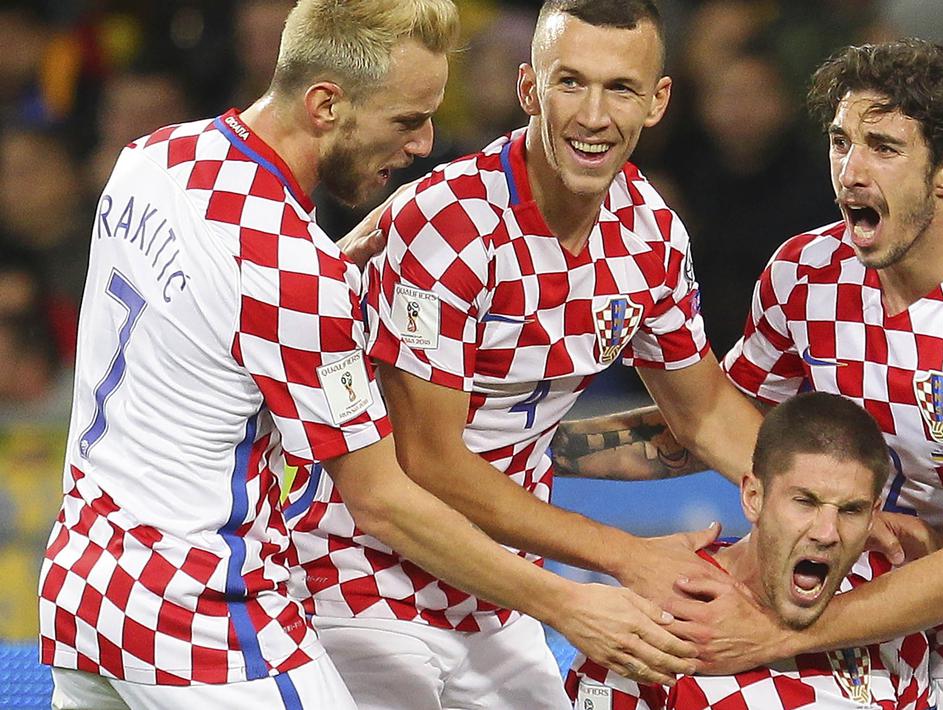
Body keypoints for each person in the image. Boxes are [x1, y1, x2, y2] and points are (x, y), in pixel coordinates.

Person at [37, 2, 696, 708]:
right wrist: (569, 604)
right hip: (199, 612)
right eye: (406, 119)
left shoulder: (154, 158)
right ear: (326, 104)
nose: (422, 144)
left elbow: (209, 313)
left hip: (83, 582)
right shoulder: (294, 274)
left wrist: (332, 271)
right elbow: (383, 501)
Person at [556, 39, 943, 709]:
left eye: (882, 147)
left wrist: (769, 636)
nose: (850, 172)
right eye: (839, 142)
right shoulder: (806, 275)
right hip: (866, 645)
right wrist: (533, 447)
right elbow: (709, 425)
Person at [286, 1, 766, 708]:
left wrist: (827, 507)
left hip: (499, 597)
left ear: (657, 101)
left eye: (621, 88)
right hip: (358, 577)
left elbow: (704, 415)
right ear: (527, 90)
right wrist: (628, 557)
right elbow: (429, 461)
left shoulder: (652, 234)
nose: (594, 116)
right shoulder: (451, 222)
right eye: (570, 82)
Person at [565, 392, 932, 709]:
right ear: (753, 497)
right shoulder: (656, 616)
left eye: (851, 510)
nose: (827, 533)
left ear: (873, 518)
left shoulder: (889, 621)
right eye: (805, 502)